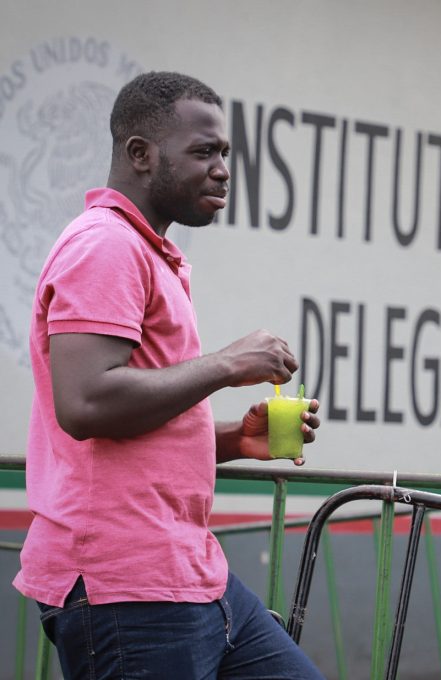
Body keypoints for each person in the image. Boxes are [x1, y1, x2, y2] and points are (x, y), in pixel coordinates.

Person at [12, 71, 325, 679]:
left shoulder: (147, 251)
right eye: (204, 152)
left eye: (225, 153)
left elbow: (131, 424)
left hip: (191, 574)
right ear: (141, 154)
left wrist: (234, 439)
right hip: (126, 588)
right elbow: (86, 404)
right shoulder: (106, 246)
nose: (223, 170)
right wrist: (227, 364)